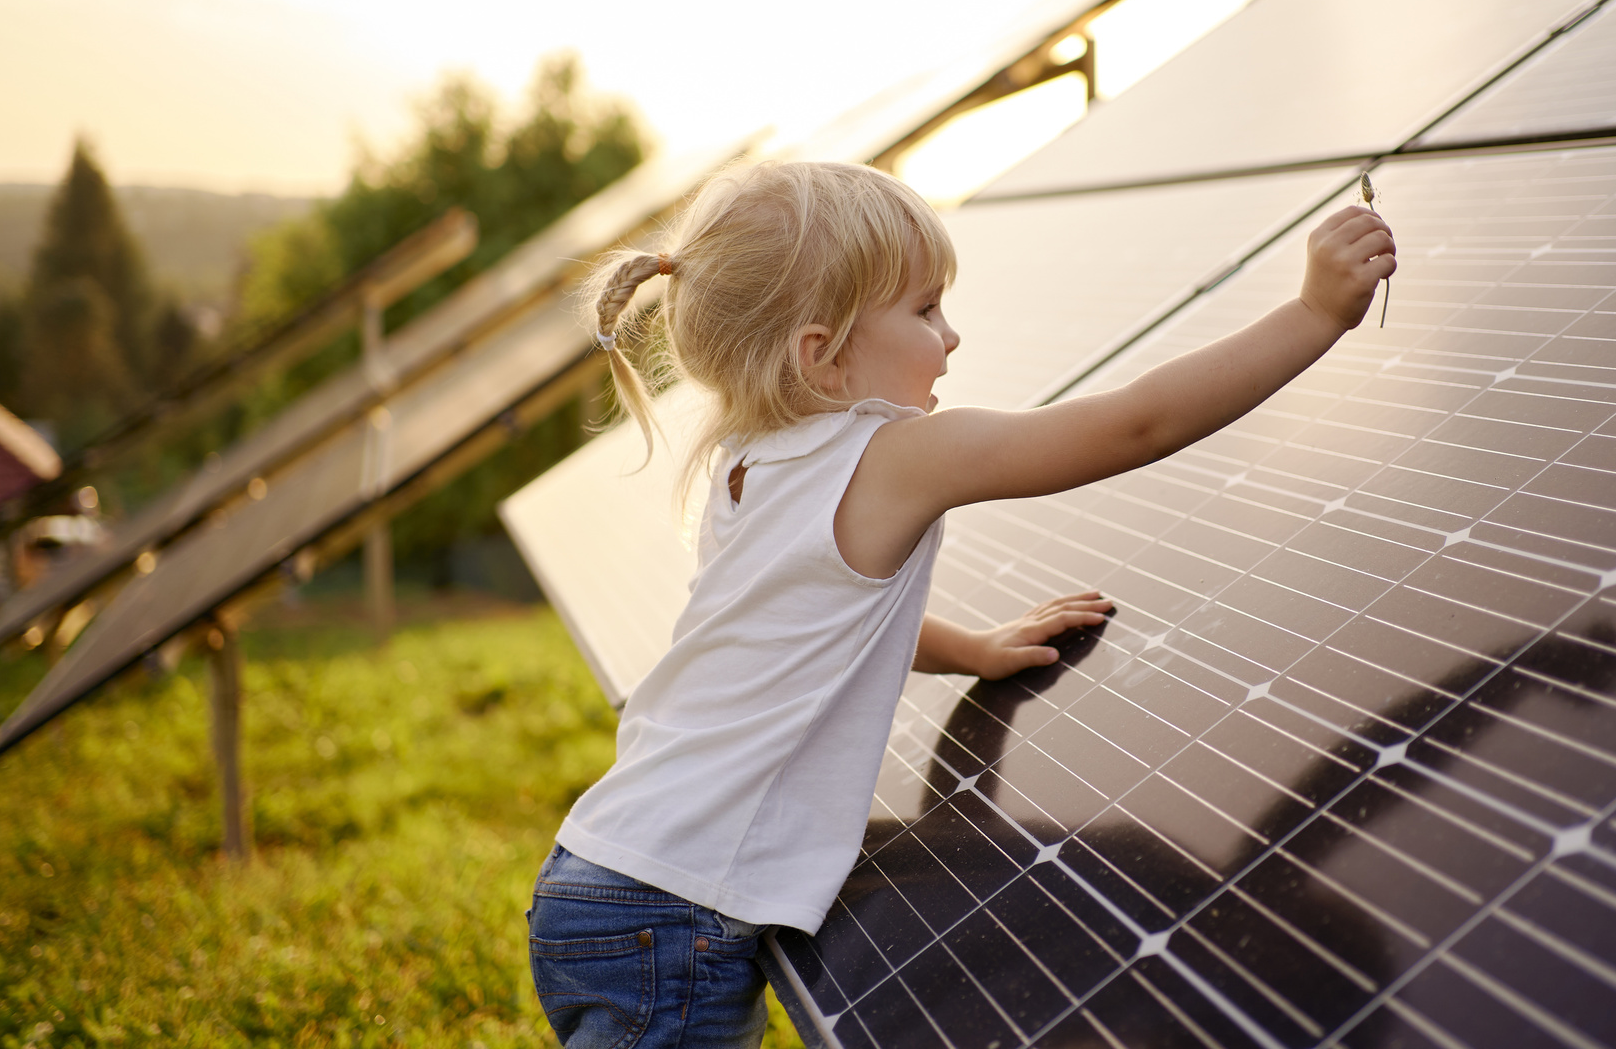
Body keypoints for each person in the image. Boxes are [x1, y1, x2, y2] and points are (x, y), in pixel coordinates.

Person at [527, 160, 1396, 1048]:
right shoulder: (899, 456)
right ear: (822, 354)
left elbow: (809, 629)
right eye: (923, 309)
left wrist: (972, 651)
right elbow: (1133, 424)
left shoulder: (749, 463)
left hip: (602, 876)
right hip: (677, 917)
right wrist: (1313, 316)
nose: (951, 337)